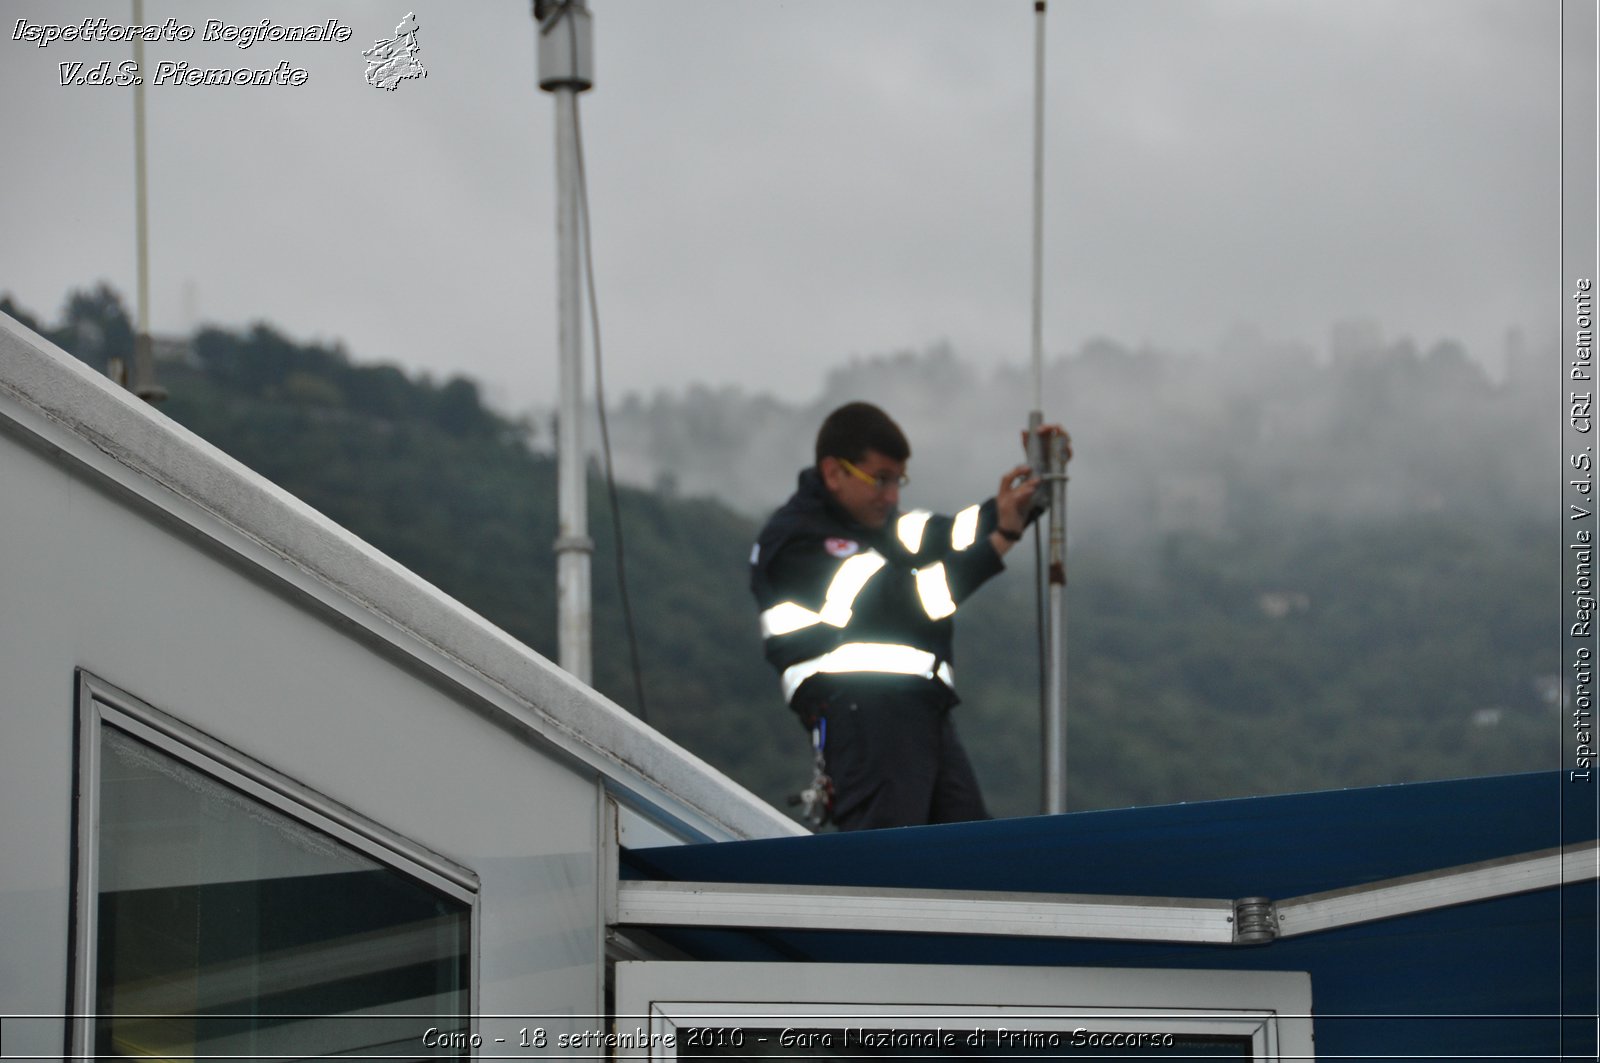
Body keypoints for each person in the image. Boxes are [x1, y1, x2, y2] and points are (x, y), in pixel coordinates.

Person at [749, 401, 1064, 830]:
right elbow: (904, 602)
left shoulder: (882, 528)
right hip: (861, 715)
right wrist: (1001, 541)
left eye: (898, 480)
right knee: (888, 860)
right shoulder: (795, 543)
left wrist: (1017, 503)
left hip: (920, 711)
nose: (892, 496)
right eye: (880, 480)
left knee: (970, 853)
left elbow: (951, 534)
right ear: (833, 473)